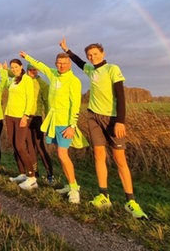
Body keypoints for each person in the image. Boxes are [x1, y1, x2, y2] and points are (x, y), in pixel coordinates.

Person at [60, 36, 148, 219]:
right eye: (89, 55)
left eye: (95, 54)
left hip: (112, 118)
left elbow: (120, 96)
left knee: (119, 159)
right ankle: (103, 196)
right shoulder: (90, 70)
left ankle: (131, 201)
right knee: (99, 155)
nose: (92, 57)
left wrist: (120, 121)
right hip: (93, 116)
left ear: (102, 53)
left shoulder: (112, 69)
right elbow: (78, 62)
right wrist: (67, 50)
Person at [20, 50, 83, 203]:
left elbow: (76, 105)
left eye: (65, 64)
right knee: (61, 156)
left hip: (65, 123)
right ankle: (70, 184)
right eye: (59, 63)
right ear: (56, 64)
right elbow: (40, 65)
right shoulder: (53, 74)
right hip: (53, 121)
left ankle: (74, 189)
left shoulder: (74, 81)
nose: (61, 66)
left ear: (70, 65)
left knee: (63, 155)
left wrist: (72, 126)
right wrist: (27, 57)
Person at [1, 58, 37, 190]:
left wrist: (26, 115)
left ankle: (32, 177)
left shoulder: (27, 79)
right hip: (9, 115)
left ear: (21, 67)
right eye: (12, 67)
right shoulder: (13, 80)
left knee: (20, 146)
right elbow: (4, 84)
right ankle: (22, 173)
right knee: (14, 145)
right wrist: (3, 71)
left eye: (16, 67)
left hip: (21, 117)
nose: (15, 69)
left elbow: (30, 98)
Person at [25, 63, 54, 184]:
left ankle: (50, 173)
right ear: (27, 71)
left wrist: (48, 120)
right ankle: (34, 172)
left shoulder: (43, 84)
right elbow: (13, 72)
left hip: (36, 117)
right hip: (25, 117)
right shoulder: (23, 81)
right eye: (30, 70)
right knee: (29, 146)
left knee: (40, 146)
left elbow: (47, 103)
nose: (33, 72)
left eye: (35, 70)